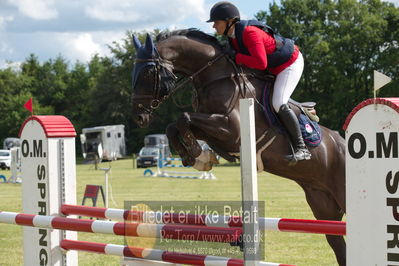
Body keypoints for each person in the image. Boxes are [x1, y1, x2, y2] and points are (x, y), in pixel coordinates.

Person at [207, 1, 311, 162]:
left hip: (290, 63)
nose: (214, 26)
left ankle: (302, 148)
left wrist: (237, 57)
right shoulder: (233, 38)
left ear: (229, 22)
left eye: (216, 22)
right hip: (273, 68)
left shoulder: (250, 33)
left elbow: (260, 63)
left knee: (278, 102)